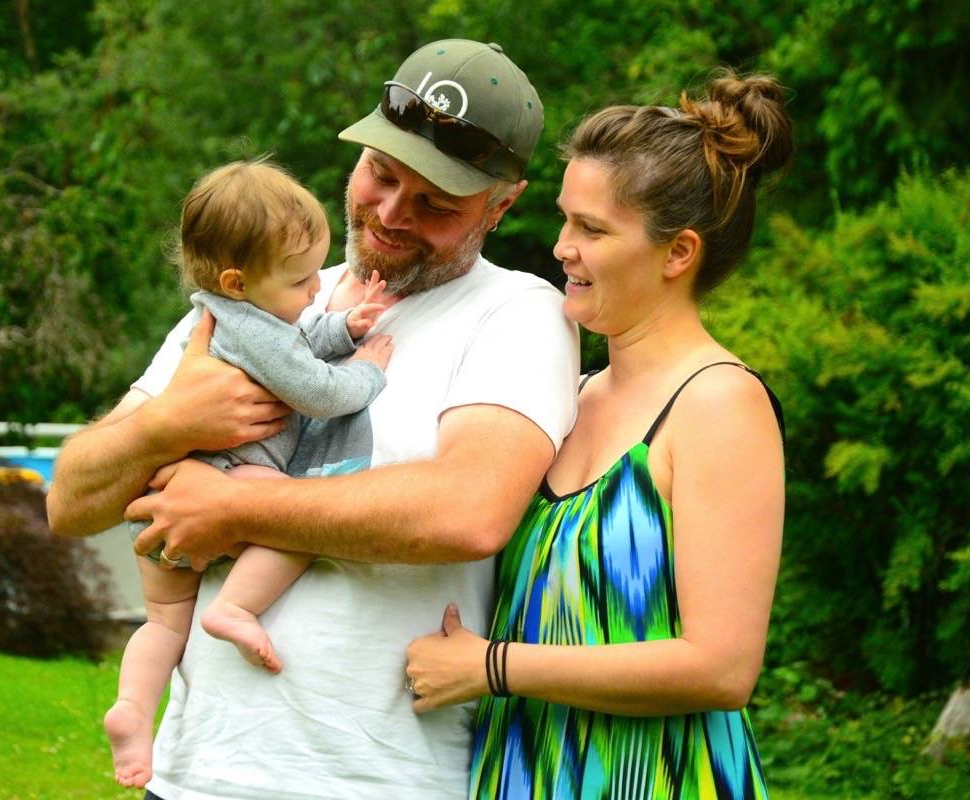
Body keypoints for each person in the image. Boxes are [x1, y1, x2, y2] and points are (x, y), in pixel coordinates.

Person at [46, 39, 580, 799]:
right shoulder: (258, 296)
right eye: (381, 175)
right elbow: (70, 504)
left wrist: (235, 505)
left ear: (503, 203)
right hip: (192, 774)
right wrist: (159, 427)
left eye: (437, 202)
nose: (393, 214)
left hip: (372, 779)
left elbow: (470, 511)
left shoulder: (520, 315)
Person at [404, 70, 791, 798]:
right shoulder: (569, 398)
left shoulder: (718, 405)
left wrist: (492, 667)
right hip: (527, 773)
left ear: (678, 253)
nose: (560, 248)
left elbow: (722, 667)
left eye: (592, 229)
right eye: (565, 219)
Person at [101, 159, 395, 789]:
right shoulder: (252, 329)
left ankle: (131, 709)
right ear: (238, 281)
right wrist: (369, 368)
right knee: (301, 519)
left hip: (163, 505)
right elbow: (312, 386)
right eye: (299, 280)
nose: (317, 288)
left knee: (161, 623)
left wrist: (344, 325)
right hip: (230, 479)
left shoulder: (230, 315)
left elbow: (299, 339)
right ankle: (235, 608)